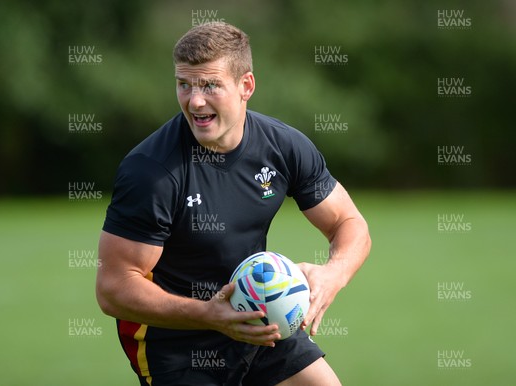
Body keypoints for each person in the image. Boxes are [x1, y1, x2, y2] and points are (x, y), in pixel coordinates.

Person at [96, 22, 371, 386]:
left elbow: (350, 223)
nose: (194, 100)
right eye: (184, 84)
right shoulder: (152, 171)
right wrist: (209, 314)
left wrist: (332, 275)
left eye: (210, 85)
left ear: (246, 86)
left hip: (259, 322)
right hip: (175, 345)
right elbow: (113, 288)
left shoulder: (283, 146)